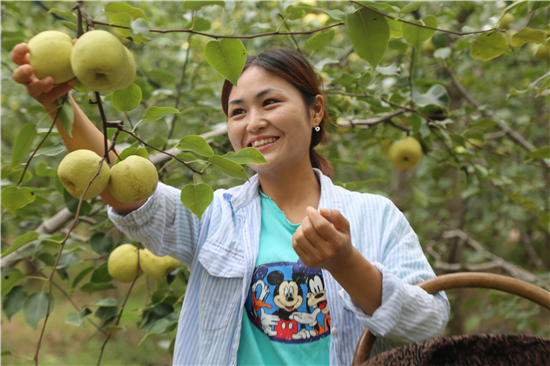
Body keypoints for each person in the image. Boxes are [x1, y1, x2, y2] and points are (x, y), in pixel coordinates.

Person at [12, 44, 450, 365]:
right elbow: (125, 186)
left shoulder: (376, 216)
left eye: (270, 102)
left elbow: (429, 326)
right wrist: (58, 102)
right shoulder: (215, 213)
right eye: (237, 112)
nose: (253, 123)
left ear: (315, 111)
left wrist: (347, 263)